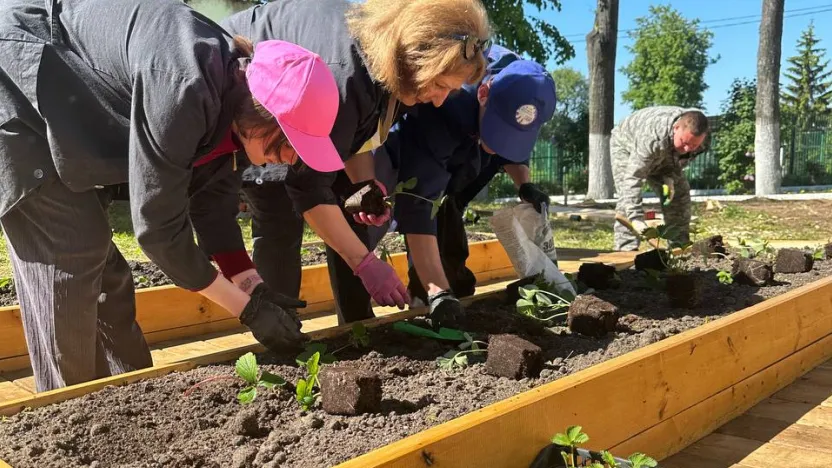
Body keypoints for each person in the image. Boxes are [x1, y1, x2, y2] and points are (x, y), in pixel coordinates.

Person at [0, 0, 344, 391]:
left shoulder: (231, 105)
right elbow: (159, 231)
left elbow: (212, 208)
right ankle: (68, 420)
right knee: (72, 258)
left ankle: (134, 401)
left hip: (66, 107)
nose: (289, 159)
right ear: (262, 114)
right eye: (288, 144)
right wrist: (246, 311)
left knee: (108, 279)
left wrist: (254, 288)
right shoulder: (186, 84)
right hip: (17, 80)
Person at [222, 0, 492, 324]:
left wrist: (361, 185)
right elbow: (308, 187)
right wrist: (365, 264)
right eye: (438, 85)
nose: (439, 100)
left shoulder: (393, 72)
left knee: (351, 209)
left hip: (313, 114)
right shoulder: (345, 75)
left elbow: (357, 134)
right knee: (280, 215)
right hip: (256, 114)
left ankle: (356, 327)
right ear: (413, 57)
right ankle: (280, 332)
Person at [378, 45, 557, 326]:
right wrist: (438, 292)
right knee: (422, 220)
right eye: (498, 131)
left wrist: (525, 186)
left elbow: (513, 148)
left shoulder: (522, 83)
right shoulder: (448, 100)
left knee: (450, 218)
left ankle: (451, 290)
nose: (498, 145)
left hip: (463, 156)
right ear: (483, 94)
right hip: (399, 160)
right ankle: (419, 300)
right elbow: (420, 204)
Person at [610, 107, 710, 251]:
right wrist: (636, 219)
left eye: (694, 145)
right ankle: (626, 252)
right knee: (627, 200)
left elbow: (681, 157)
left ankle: (679, 249)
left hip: (666, 153)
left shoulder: (703, 138)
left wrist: (668, 177)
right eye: (684, 142)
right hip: (626, 145)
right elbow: (633, 178)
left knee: (679, 195)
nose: (688, 148)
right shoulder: (652, 137)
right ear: (676, 128)